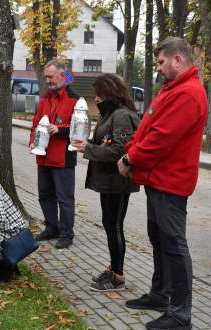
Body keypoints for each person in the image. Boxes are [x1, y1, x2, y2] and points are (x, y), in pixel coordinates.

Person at [117, 37, 208, 330]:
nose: (159, 68)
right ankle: (161, 294)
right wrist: (131, 150)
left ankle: (181, 314)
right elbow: (148, 127)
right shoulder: (173, 90)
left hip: (171, 182)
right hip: (158, 179)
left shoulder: (188, 93)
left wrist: (130, 159)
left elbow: (161, 139)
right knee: (159, 240)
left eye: (161, 62)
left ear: (178, 59)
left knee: (174, 246)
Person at [71, 74, 140, 292]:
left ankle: (118, 276)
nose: (96, 97)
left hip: (118, 182)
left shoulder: (121, 115)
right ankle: (113, 267)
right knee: (110, 225)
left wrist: (89, 149)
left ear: (108, 92)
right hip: (108, 182)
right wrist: (90, 143)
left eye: (99, 93)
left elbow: (121, 150)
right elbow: (105, 142)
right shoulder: (108, 114)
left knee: (115, 226)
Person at [29, 59, 80, 249]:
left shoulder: (75, 99)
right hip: (43, 156)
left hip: (63, 157)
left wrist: (60, 129)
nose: (48, 80)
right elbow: (35, 123)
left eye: (50, 76)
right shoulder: (44, 98)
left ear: (62, 74)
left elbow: (81, 130)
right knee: (44, 194)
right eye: (46, 77)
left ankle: (67, 233)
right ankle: (52, 227)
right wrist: (32, 142)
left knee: (64, 198)